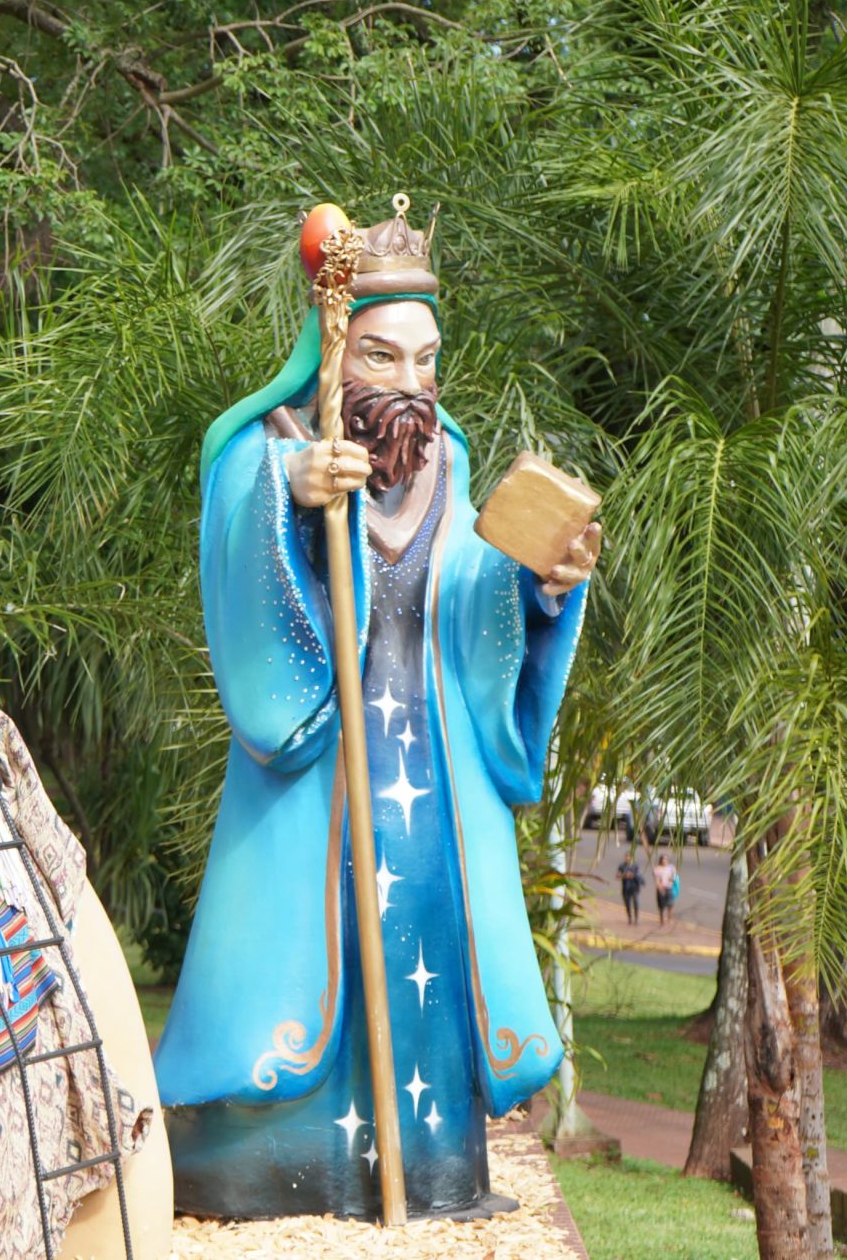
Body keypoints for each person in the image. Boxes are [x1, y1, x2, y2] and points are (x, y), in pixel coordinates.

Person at [155, 199, 602, 1222]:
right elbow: (233, 538)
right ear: (332, 344)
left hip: (429, 775)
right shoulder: (272, 442)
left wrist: (542, 589)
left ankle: (430, 1169)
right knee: (319, 963)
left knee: (423, 953)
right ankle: (280, 1172)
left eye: (425, 359)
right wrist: (294, 498)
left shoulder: (446, 450)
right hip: (319, 773)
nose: (407, 382)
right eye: (381, 355)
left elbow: (468, 596)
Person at [617, 849, 643, 925]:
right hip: (625, 888)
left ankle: (636, 919)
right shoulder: (622, 866)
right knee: (627, 904)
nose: (627, 858)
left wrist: (632, 875)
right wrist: (625, 875)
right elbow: (617, 876)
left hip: (634, 887)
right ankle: (629, 918)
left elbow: (639, 875)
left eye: (629, 856)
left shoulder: (635, 866)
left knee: (636, 902)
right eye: (626, 856)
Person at [652, 853, 677, 924]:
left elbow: (674, 877)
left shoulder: (671, 868)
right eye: (663, 859)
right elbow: (657, 881)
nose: (664, 861)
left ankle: (669, 918)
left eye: (666, 859)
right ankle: (661, 919)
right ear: (661, 860)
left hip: (669, 888)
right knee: (661, 905)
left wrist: (672, 879)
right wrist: (660, 889)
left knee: (671, 904)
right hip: (661, 888)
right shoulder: (657, 869)